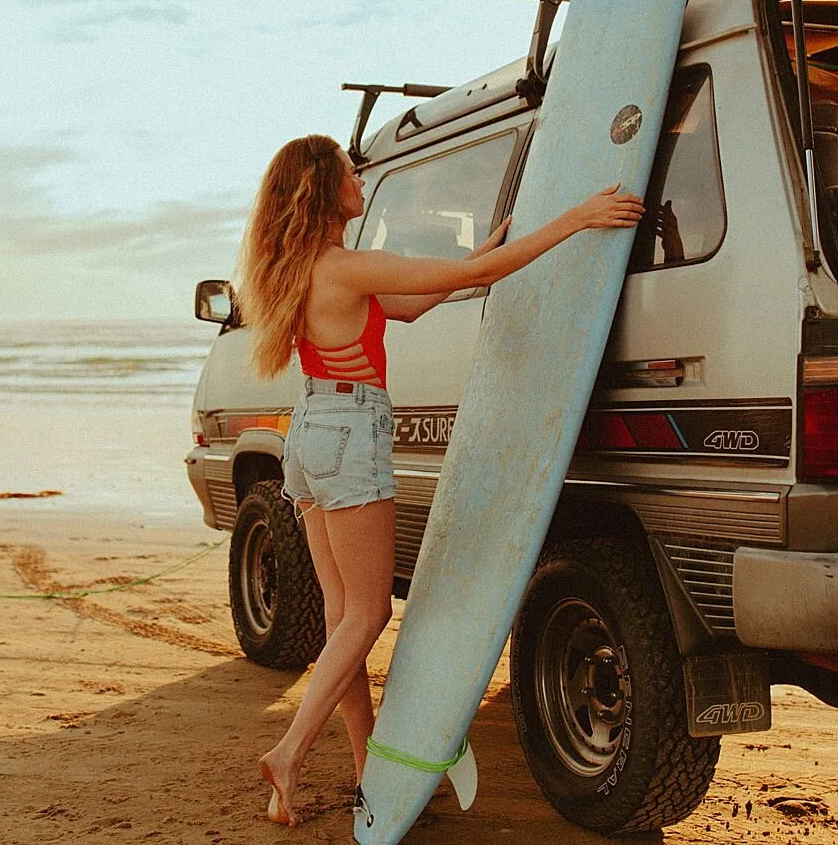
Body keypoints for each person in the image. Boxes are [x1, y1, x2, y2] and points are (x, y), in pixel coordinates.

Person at [238, 134, 643, 826]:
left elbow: (421, 299)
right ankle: (290, 751)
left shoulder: (305, 270)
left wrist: (482, 252)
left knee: (343, 616)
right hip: (348, 432)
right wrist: (576, 219)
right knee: (368, 614)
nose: (357, 174)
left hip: (307, 432)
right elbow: (452, 284)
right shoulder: (345, 265)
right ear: (323, 188)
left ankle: (369, 770)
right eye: (347, 168)